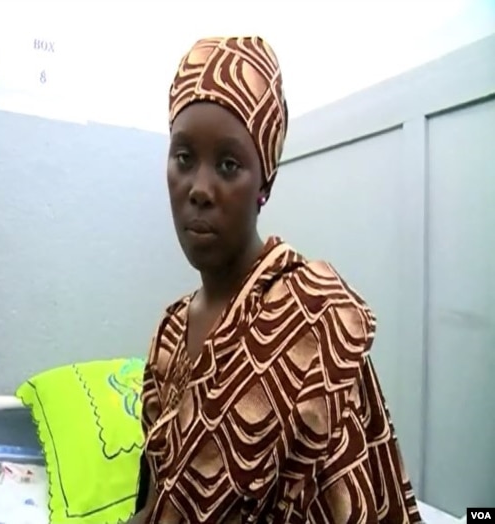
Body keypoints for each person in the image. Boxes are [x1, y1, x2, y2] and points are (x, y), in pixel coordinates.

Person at [129, 36, 422, 524]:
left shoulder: (316, 321)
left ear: (263, 183)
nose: (199, 189)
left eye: (228, 165)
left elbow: (362, 502)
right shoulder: (168, 337)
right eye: (183, 157)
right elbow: (156, 502)